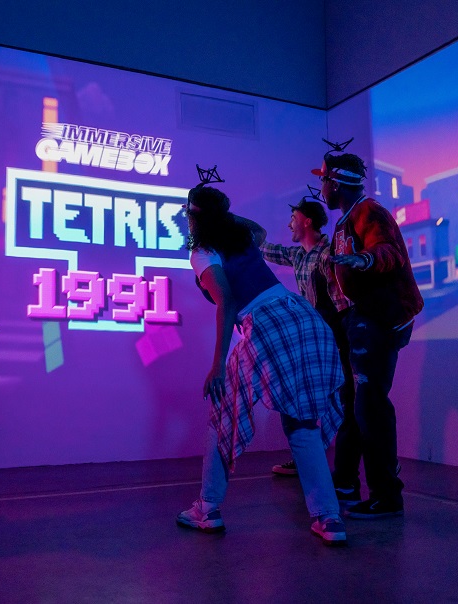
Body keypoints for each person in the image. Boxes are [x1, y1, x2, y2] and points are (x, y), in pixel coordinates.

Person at [175, 169, 347, 545]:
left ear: (194, 217)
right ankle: (329, 519)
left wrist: (217, 365)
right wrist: (221, 214)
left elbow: (227, 301)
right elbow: (260, 230)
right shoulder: (241, 237)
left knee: (223, 414)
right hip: (301, 317)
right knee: (302, 422)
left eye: (188, 214)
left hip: (267, 324)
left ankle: (208, 508)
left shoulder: (202, 252)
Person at [313, 146, 424, 518]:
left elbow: (389, 251)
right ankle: (348, 483)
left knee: (370, 406)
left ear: (336, 183)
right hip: (360, 321)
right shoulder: (344, 222)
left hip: (379, 321)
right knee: (358, 404)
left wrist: (365, 259)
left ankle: (386, 496)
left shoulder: (368, 212)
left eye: (323, 179)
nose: (321, 187)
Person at [252, 192, 354, 481]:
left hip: (335, 337)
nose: (289, 224)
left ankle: (345, 473)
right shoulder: (298, 255)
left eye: (293, 218)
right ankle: (308, 459)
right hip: (314, 339)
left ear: (307, 221)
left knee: (344, 399)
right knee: (306, 397)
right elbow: (266, 249)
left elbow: (341, 303)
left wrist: (344, 338)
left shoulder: (328, 254)